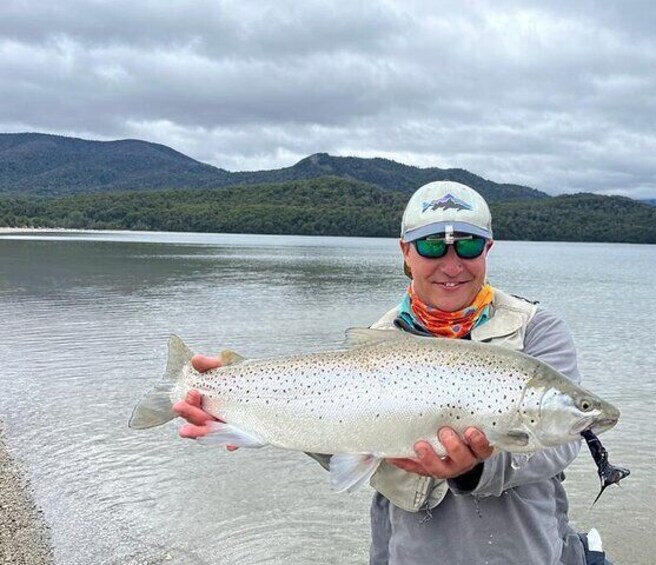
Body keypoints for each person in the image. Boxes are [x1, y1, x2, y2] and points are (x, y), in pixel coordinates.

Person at [174, 181, 607, 564]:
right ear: (405, 251)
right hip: (408, 551)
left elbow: (556, 449)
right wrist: (242, 415)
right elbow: (341, 442)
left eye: (469, 246)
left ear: (488, 249)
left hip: (523, 550)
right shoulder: (380, 340)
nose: (452, 264)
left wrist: (472, 470)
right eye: (433, 246)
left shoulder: (537, 329)